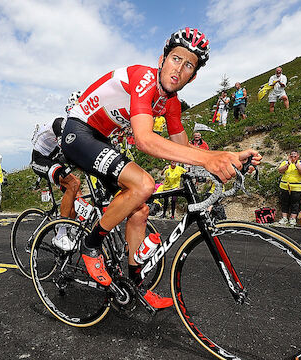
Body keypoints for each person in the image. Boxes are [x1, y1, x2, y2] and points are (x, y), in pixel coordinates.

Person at [60, 27, 262, 309]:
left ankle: (135, 284)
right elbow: (143, 139)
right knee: (143, 185)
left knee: (140, 210)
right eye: (176, 59)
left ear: (193, 76)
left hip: (102, 139)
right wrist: (208, 160)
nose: (180, 69)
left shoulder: (171, 103)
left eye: (189, 65)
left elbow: (184, 153)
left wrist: (226, 156)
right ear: (161, 59)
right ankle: (90, 245)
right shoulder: (144, 79)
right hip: (79, 132)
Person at [30, 115, 82, 250]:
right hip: (40, 159)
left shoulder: (77, 130)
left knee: (77, 188)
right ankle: (61, 233)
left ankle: (72, 227)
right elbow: (68, 151)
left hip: (54, 160)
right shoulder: (59, 124)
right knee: (72, 184)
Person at [277, 151, 301, 226]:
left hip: (297, 187)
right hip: (285, 186)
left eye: (295, 156)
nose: (293, 157)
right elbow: (280, 170)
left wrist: (296, 163)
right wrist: (288, 163)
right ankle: (284, 218)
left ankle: (293, 218)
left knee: (295, 203)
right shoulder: (285, 162)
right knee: (284, 202)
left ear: (298, 156)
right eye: (291, 156)